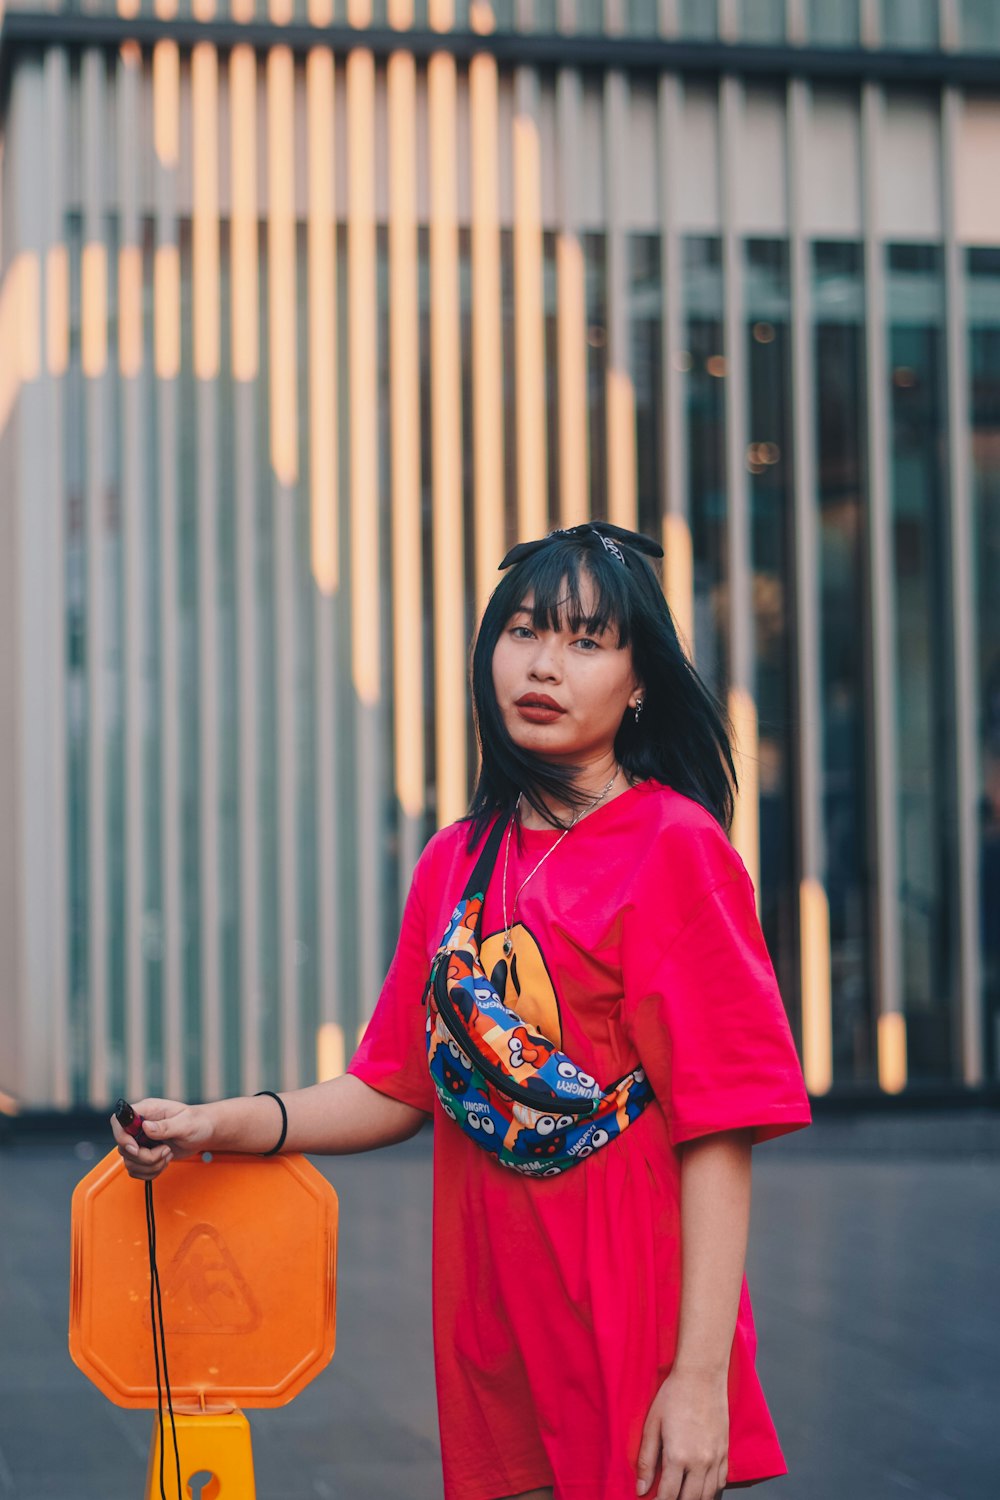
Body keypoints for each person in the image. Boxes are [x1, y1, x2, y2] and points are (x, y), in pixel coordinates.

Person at [112, 521, 812, 1500]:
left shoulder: (673, 848)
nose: (543, 664)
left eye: (584, 640)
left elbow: (719, 1126)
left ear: (639, 679)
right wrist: (215, 1126)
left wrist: (697, 1381)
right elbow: (391, 1086)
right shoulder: (457, 860)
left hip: (630, 1318)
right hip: (491, 1322)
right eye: (524, 631)